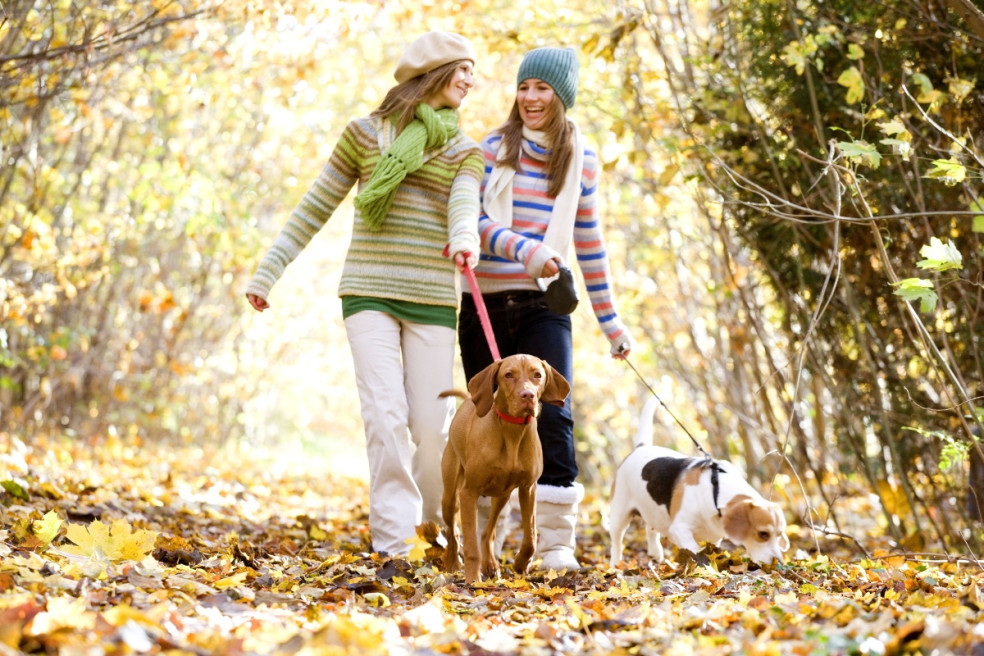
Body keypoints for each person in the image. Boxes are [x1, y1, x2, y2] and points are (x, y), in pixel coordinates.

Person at [245, 31, 483, 557]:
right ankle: (395, 542)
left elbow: (465, 204)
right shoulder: (363, 136)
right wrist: (268, 272)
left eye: (473, 71)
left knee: (430, 427)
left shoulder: (466, 150)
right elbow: (314, 206)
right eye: (461, 68)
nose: (471, 79)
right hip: (369, 292)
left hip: (432, 300)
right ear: (431, 71)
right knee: (384, 414)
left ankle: (431, 524)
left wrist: (465, 237)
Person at [458, 46, 635, 571]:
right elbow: (474, 223)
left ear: (563, 95)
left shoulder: (582, 159)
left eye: (543, 89)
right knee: (488, 420)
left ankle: (556, 543)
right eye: (524, 87)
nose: (531, 98)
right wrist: (527, 250)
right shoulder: (490, 149)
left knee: (553, 414)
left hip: (544, 304)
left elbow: (588, 240)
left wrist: (611, 322)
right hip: (484, 302)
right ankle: (489, 541)